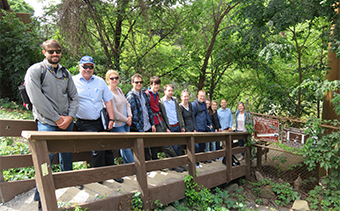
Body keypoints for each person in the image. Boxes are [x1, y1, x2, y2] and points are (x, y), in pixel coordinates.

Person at [24, 39, 79, 209]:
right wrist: (56, 119)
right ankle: (41, 196)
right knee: (45, 158)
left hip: (66, 122)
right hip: (47, 122)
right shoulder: (35, 71)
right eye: (51, 51)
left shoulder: (66, 73)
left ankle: (68, 187)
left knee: (67, 154)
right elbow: (36, 99)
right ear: (44, 53)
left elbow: (74, 97)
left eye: (58, 51)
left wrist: (70, 117)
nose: (55, 54)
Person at [73, 56, 123, 183]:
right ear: (80, 67)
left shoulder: (100, 81)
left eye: (91, 67)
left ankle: (111, 173)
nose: (88, 69)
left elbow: (107, 101)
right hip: (84, 121)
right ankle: (99, 176)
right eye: (85, 66)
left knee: (108, 146)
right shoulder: (72, 81)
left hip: (102, 119)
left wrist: (111, 119)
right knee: (97, 148)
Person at [146, 77, 180, 168]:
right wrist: (152, 123)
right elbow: (148, 110)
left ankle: (175, 163)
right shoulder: (147, 94)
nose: (156, 86)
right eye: (154, 84)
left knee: (166, 143)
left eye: (158, 84)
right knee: (165, 143)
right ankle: (175, 163)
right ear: (151, 84)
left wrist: (166, 127)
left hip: (160, 120)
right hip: (153, 122)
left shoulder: (156, 94)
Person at [105, 70, 134, 164]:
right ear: (107, 80)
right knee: (127, 147)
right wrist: (126, 120)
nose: (114, 80)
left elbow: (127, 104)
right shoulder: (108, 93)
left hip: (126, 123)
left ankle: (128, 168)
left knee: (124, 148)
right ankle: (136, 168)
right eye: (111, 78)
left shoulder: (119, 90)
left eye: (116, 78)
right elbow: (114, 113)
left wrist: (130, 116)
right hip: (117, 125)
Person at [126, 73, 156, 161]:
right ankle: (144, 172)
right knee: (142, 151)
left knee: (151, 147)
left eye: (140, 82)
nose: (139, 84)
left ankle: (151, 168)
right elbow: (134, 116)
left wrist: (152, 124)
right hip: (139, 129)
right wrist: (140, 130)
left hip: (148, 126)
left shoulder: (144, 94)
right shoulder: (131, 96)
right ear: (132, 83)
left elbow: (149, 109)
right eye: (136, 82)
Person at [159, 84, 186, 156]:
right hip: (170, 127)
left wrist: (182, 126)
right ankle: (174, 165)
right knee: (173, 147)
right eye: (169, 91)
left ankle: (179, 164)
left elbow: (179, 114)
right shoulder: (161, 102)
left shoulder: (175, 100)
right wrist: (166, 128)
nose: (170, 92)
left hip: (177, 125)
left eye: (172, 91)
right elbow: (162, 117)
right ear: (165, 91)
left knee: (179, 147)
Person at [179, 90, 201, 168]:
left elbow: (192, 117)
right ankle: (191, 164)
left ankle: (197, 163)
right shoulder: (180, 107)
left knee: (197, 146)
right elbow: (181, 119)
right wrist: (183, 129)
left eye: (187, 96)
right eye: (185, 96)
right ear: (181, 97)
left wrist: (194, 128)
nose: (186, 98)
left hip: (192, 128)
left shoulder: (190, 105)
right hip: (185, 130)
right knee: (189, 147)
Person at [192, 90, 213, 163]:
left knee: (202, 145)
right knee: (196, 146)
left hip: (203, 128)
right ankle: (196, 162)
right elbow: (192, 117)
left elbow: (207, 115)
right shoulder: (194, 105)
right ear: (198, 95)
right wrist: (194, 128)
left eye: (203, 96)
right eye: (201, 96)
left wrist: (210, 123)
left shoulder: (204, 103)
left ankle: (201, 160)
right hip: (197, 128)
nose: (202, 97)